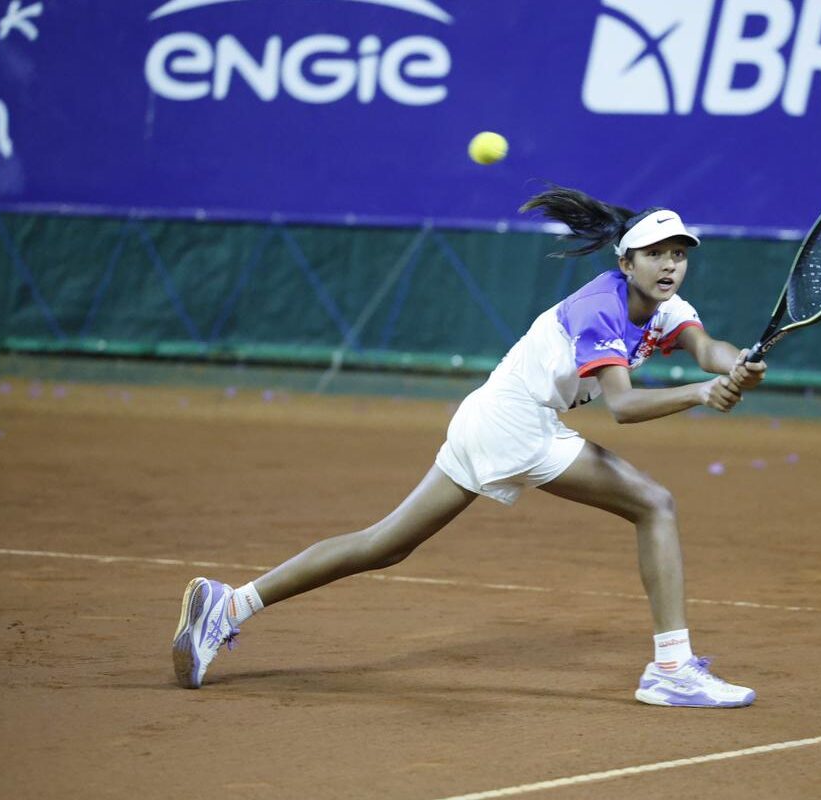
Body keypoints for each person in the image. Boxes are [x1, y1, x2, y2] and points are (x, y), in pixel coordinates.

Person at [171, 185, 767, 707]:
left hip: (493, 416)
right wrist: (704, 392)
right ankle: (670, 670)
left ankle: (230, 605)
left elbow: (704, 344)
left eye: (679, 255)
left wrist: (732, 363)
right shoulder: (600, 310)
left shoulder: (664, 307)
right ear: (627, 261)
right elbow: (625, 407)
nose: (670, 265)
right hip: (514, 424)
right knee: (653, 504)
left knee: (385, 545)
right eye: (657, 254)